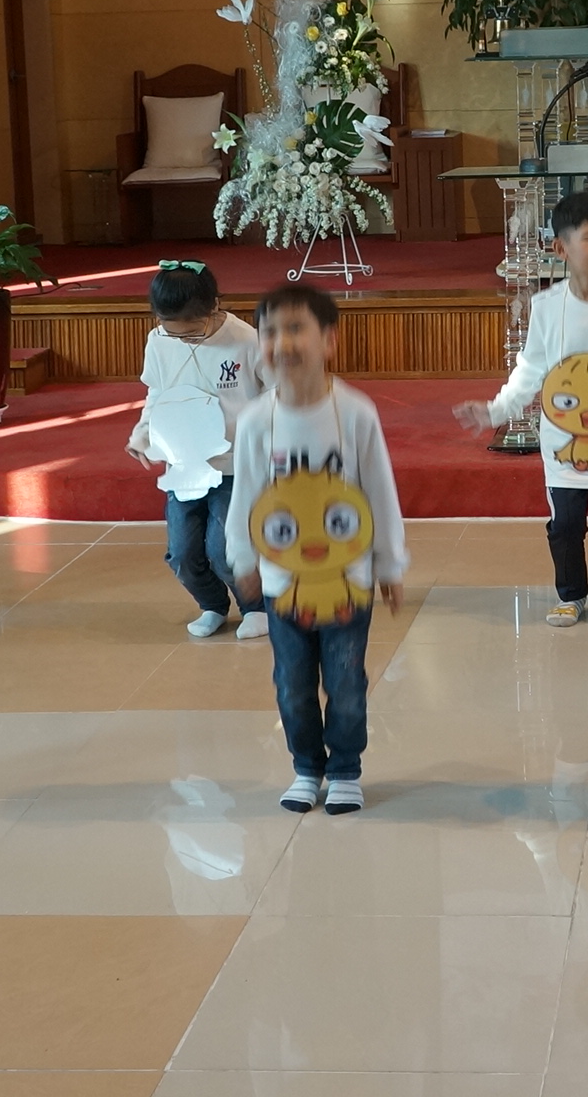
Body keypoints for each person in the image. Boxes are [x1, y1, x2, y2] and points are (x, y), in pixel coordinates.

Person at [228, 285, 407, 816]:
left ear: (328, 340)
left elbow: (379, 490)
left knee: (346, 681)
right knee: (292, 685)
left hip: (348, 582)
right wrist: (243, 560)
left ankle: (346, 770)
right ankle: (306, 767)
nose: (282, 343)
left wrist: (389, 563)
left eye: (296, 329)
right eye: (269, 332)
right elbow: (247, 497)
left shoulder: (354, 413)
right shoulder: (256, 421)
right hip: (283, 584)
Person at [455, 190, 588, 628]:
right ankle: (571, 596)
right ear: (560, 247)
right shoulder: (547, 308)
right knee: (566, 524)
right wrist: (495, 411)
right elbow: (531, 369)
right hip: (563, 444)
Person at [128, 258, 267, 641]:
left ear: (214, 306)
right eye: (173, 331)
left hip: (235, 465)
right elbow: (157, 394)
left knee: (225, 550)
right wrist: (143, 434)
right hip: (184, 465)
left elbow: (274, 394)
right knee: (182, 553)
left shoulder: (247, 341)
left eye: (193, 331)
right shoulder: (159, 340)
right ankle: (212, 605)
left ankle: (256, 607)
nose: (183, 339)